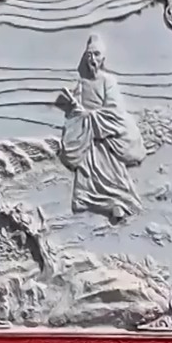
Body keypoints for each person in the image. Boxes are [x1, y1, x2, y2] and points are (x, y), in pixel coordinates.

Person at [57, 34, 146, 221]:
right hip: (87, 137)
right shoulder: (81, 84)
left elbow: (115, 109)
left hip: (105, 137)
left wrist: (91, 117)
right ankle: (85, 200)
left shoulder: (108, 81)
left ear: (103, 58)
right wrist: (76, 110)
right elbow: (76, 109)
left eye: (96, 54)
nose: (92, 59)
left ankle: (118, 203)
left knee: (113, 173)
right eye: (89, 55)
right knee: (86, 173)